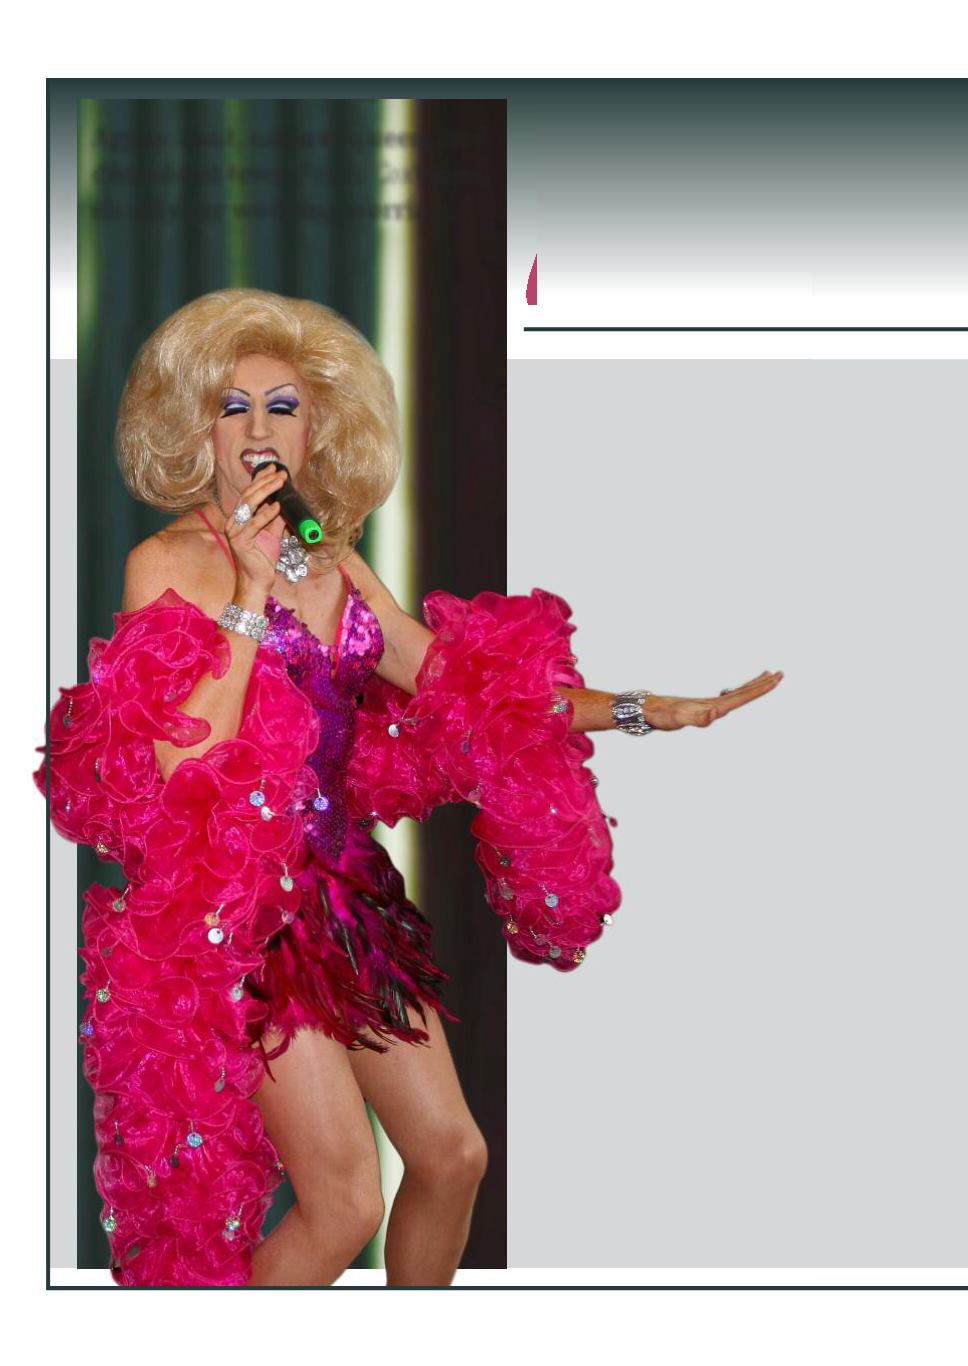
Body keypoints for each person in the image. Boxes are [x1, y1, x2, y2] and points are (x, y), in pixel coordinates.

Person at [35, 288, 783, 1288]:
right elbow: (188, 761)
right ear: (196, 429)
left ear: (316, 430)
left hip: (347, 900)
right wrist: (250, 590)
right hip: (243, 914)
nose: (258, 430)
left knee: (453, 1157)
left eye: (283, 407)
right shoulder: (165, 564)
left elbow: (464, 688)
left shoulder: (336, 562)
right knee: (345, 1205)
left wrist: (647, 709)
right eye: (231, 406)